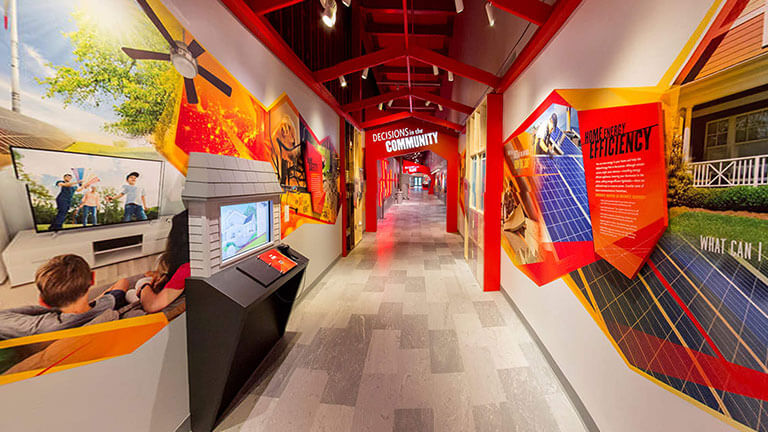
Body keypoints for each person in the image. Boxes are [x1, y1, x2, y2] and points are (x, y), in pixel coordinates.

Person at [0, 255, 128, 340]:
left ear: (43, 302)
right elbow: (123, 282)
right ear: (92, 279)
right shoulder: (108, 304)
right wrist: (98, 300)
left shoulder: (39, 327)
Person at [126, 210, 190, 313]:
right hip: (168, 293)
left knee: (132, 290)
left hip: (158, 310)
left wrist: (144, 286)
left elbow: (152, 306)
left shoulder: (187, 269)